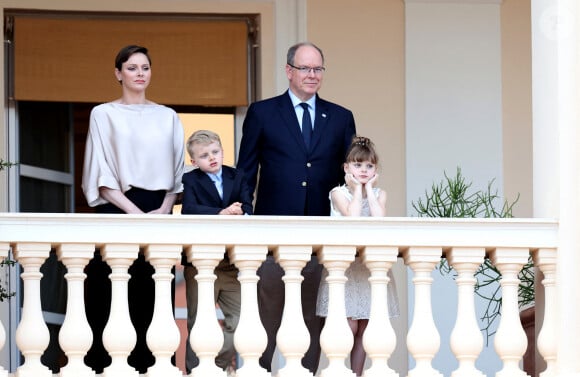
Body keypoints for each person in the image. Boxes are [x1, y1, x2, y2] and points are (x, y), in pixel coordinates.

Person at [236, 41, 356, 374]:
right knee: (266, 318)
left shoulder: (340, 117)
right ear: (289, 71)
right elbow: (245, 169)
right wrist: (245, 213)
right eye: (305, 68)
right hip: (272, 236)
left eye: (318, 68)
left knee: (311, 321)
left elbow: (350, 176)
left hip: (321, 238)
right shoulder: (263, 112)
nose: (312, 75)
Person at [81, 44, 185, 374]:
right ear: (118, 74)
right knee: (111, 296)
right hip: (118, 211)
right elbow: (100, 173)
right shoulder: (103, 113)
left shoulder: (167, 115)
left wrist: (163, 209)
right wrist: (135, 215)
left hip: (159, 212)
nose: (140, 73)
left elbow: (178, 171)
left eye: (145, 67)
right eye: (132, 68)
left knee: (154, 296)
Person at [315, 136, 399, 377]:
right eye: (358, 165)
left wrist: (369, 190)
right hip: (346, 268)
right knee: (348, 325)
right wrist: (356, 190)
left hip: (369, 268)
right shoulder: (338, 193)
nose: (363, 170)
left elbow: (378, 219)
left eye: (369, 166)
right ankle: (339, 371)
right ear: (347, 168)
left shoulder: (379, 194)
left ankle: (358, 373)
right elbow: (352, 218)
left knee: (366, 326)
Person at [181, 129, 253, 374]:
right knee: (198, 322)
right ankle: (194, 371)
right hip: (201, 263)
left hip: (232, 264)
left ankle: (218, 366)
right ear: (194, 161)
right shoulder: (191, 180)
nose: (211, 158)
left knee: (242, 322)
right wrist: (221, 213)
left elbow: (248, 206)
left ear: (222, 151)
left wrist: (240, 211)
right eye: (203, 155)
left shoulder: (238, 175)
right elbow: (189, 210)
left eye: (215, 152)